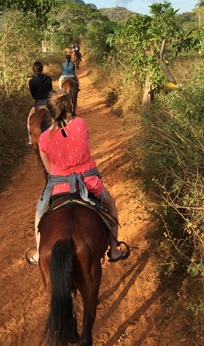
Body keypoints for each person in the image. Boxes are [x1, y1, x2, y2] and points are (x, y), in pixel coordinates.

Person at [27, 91, 128, 265]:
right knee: (111, 205)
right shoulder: (81, 124)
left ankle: (38, 253)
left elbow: (50, 171)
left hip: (59, 187)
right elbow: (84, 148)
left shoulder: (43, 138)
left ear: (49, 112)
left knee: (39, 213)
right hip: (89, 183)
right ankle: (114, 250)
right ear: (67, 108)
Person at [26, 61, 53, 145]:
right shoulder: (48, 78)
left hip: (37, 103)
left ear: (33, 70)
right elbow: (50, 90)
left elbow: (33, 95)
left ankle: (30, 139)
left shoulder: (31, 82)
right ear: (41, 69)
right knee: (59, 118)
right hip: (48, 103)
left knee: (28, 122)